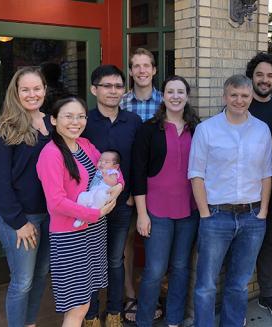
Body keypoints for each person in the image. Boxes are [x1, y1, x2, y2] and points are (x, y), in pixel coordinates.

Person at [188, 74, 272, 327]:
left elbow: (267, 173)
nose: (239, 100)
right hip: (216, 216)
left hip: (252, 217)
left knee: (239, 283)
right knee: (206, 284)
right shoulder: (207, 129)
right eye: (234, 95)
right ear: (224, 97)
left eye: (244, 96)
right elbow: (196, 174)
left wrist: (263, 212)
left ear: (251, 98)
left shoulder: (261, 130)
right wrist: (205, 213)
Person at [36, 97, 121, 326]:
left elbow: (110, 171)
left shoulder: (85, 145)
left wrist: (119, 187)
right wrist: (95, 214)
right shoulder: (51, 154)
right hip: (70, 236)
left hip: (93, 233)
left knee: (85, 300)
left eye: (81, 116)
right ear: (53, 120)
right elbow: (55, 203)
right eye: (68, 116)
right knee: (78, 306)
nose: (76, 122)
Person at [132, 75, 200, 327]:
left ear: (187, 96)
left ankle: (173, 320)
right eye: (170, 91)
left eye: (180, 92)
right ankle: (144, 321)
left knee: (181, 268)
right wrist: (141, 214)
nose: (175, 96)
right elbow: (137, 173)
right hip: (156, 211)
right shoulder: (149, 129)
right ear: (163, 96)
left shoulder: (197, 128)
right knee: (154, 271)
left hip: (189, 211)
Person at [82, 65, 142, 327]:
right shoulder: (84, 121)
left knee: (116, 259)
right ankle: (91, 314)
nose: (113, 91)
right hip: (91, 205)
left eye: (118, 86)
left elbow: (138, 163)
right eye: (107, 86)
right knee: (91, 259)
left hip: (122, 204)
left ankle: (115, 312)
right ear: (94, 89)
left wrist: (130, 196)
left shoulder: (133, 121)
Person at [0, 67, 51, 327]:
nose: (32, 94)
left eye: (36, 88)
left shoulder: (54, 122)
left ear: (45, 90)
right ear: (16, 92)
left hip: (51, 216)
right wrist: (19, 222)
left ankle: (29, 323)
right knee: (22, 281)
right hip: (21, 218)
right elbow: (0, 183)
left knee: (40, 277)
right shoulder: (5, 128)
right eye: (25, 89)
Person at [120, 48, 163, 323]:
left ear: (154, 70)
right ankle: (130, 294)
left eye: (146, 65)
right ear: (131, 71)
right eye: (136, 66)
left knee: (157, 243)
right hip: (127, 187)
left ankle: (154, 293)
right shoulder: (121, 102)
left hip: (158, 186)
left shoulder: (165, 101)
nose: (142, 70)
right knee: (126, 243)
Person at [245, 52, 272, 320]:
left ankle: (268, 294)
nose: (264, 79)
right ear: (252, 76)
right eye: (259, 74)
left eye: (270, 75)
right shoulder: (241, 105)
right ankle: (234, 294)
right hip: (240, 190)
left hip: (271, 191)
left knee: (270, 242)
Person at [76, 150, 121, 220]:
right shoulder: (99, 170)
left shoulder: (113, 172)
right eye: (100, 161)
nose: (102, 163)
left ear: (115, 166)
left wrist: (106, 176)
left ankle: (92, 212)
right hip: (92, 191)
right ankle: (80, 217)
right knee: (82, 196)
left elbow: (113, 183)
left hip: (103, 191)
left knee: (100, 196)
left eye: (106, 162)